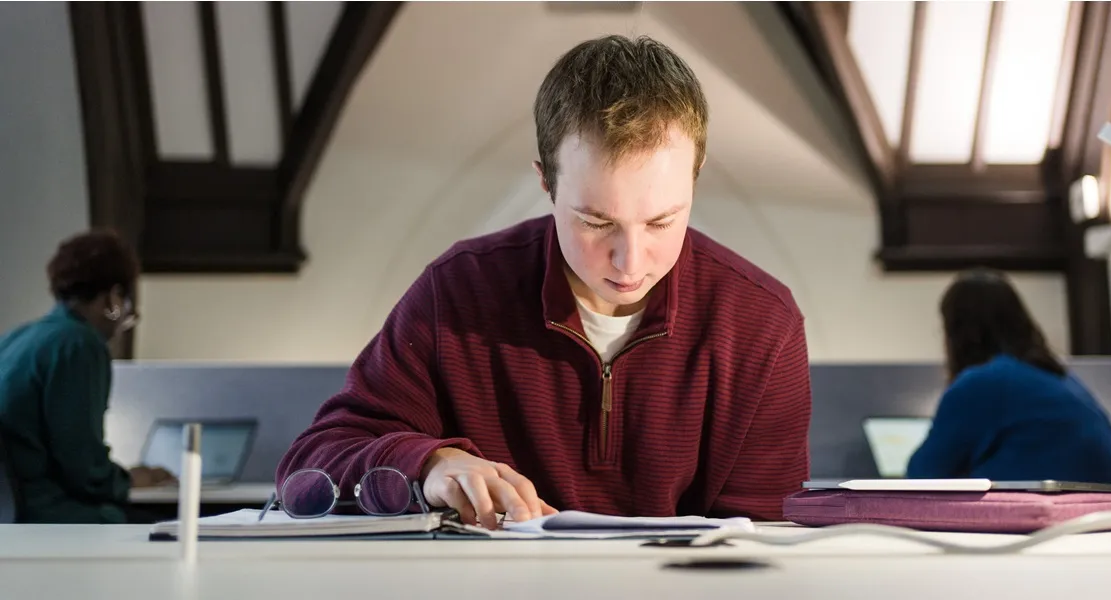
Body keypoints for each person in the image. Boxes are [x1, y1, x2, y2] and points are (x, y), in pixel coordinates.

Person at [278, 35, 813, 526]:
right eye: (596, 222)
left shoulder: (762, 325)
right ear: (545, 183)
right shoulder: (459, 292)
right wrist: (430, 464)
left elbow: (759, 548)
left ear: (695, 178)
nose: (630, 261)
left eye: (661, 222)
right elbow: (309, 466)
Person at [0, 230, 175, 523]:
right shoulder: (79, 344)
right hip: (50, 514)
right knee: (169, 529)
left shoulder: (16, 339)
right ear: (114, 298)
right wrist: (130, 479)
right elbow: (83, 468)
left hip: (12, 516)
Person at [906, 268, 1111, 485]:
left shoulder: (981, 383)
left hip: (1047, 517)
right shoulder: (1061, 380)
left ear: (956, 332)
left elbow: (922, 475)